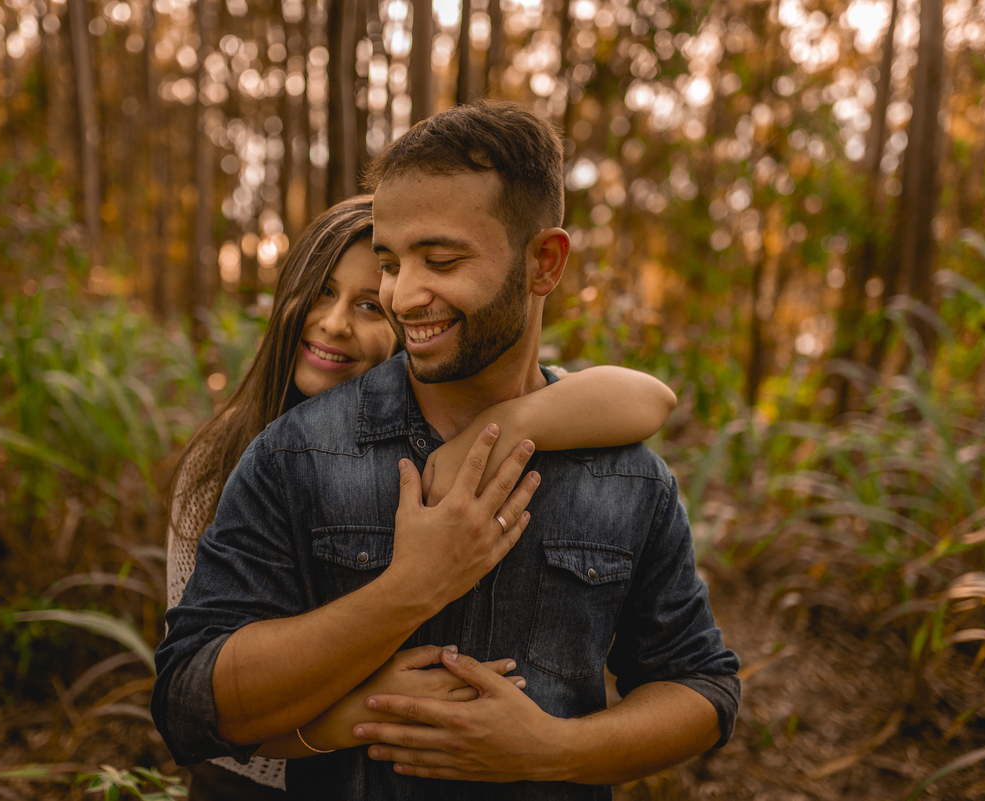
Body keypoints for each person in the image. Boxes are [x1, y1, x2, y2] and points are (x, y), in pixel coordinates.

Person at [156, 100, 738, 798]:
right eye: (391, 264)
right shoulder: (294, 454)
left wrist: (555, 748)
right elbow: (190, 706)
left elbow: (701, 685)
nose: (403, 296)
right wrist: (410, 589)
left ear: (544, 263)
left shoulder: (630, 478)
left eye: (441, 259)